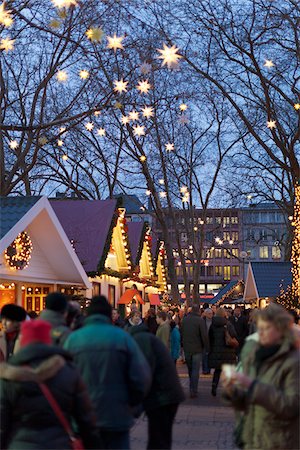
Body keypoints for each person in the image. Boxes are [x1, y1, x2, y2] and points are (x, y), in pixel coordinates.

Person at [64, 296, 151, 450]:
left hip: (83, 418)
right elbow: (142, 377)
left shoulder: (73, 340)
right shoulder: (122, 337)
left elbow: (63, 380)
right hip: (116, 416)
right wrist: (133, 407)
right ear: (108, 315)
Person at [0, 319, 101, 449]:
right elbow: (86, 419)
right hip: (58, 443)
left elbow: (2, 423)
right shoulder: (67, 371)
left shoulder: (9, 375)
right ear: (48, 340)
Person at [222, 303, 300, 450]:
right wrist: (234, 393)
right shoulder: (259, 356)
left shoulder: (293, 361)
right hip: (256, 437)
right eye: (261, 328)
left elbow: (292, 405)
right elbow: (250, 403)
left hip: (281, 440)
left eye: (267, 328)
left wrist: (252, 386)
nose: (261, 333)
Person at [129, 322, 185, 449]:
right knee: (161, 437)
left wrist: (135, 403)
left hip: (162, 397)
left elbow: (143, 373)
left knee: (158, 438)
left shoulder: (140, 341)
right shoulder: (147, 338)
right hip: (167, 394)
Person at [181, 304, 209, 398]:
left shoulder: (185, 320)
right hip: (197, 348)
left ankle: (191, 387)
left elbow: (182, 333)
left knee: (190, 369)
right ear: (198, 311)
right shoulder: (200, 321)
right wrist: (206, 347)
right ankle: (194, 390)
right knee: (195, 370)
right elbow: (204, 336)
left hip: (187, 348)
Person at [209, 307, 237, 396]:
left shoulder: (213, 325)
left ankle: (214, 386)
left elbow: (210, 338)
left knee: (217, 371)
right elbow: (234, 335)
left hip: (216, 351)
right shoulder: (228, 324)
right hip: (228, 351)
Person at [202, 308, 213, 375]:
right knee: (204, 356)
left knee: (209, 356)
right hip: (204, 340)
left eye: (211, 313)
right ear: (205, 314)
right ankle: (205, 369)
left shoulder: (213, 321)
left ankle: (208, 368)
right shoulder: (202, 321)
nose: (210, 315)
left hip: (211, 340)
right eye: (209, 314)